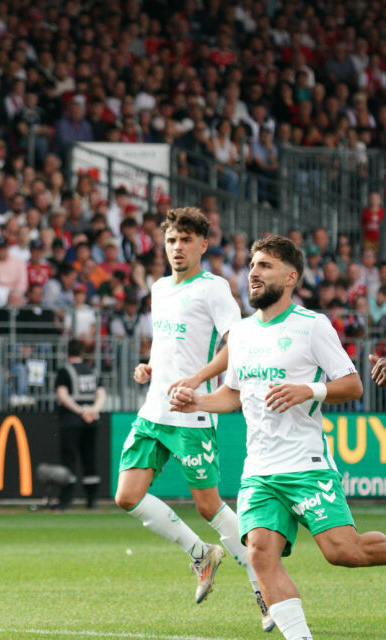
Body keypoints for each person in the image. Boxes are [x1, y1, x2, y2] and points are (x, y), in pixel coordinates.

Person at [170, 235, 386, 640]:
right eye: (252, 265)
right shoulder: (242, 334)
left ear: (290, 277)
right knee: (259, 553)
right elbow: (233, 394)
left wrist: (311, 390)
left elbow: (353, 385)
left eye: (265, 266)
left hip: (305, 465)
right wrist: (197, 400)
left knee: (343, 551)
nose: (253, 272)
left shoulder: (312, 326)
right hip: (259, 470)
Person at [117, 207, 269, 631]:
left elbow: (235, 344)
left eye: (186, 240)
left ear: (203, 244)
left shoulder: (214, 288)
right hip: (154, 410)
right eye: (171, 240)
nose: (177, 247)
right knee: (126, 496)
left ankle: (264, 587)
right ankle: (201, 554)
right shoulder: (159, 288)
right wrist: (148, 367)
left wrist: (199, 381)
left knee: (209, 506)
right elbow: (169, 343)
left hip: (191, 413)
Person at [53, 339, 105, 509]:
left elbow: (63, 396)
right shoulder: (92, 371)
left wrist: (80, 411)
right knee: (90, 459)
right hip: (91, 421)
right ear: (83, 353)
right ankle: (92, 500)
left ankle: (66, 500)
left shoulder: (64, 371)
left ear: (67, 352)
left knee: (69, 459)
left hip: (71, 420)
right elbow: (102, 394)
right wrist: (92, 411)